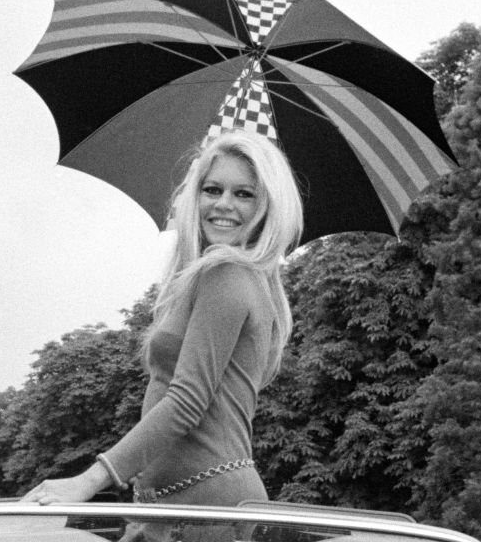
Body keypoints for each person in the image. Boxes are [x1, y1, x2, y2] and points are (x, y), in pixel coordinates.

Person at [22, 129, 303, 507]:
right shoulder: (226, 279)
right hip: (173, 501)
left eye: (244, 194)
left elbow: (188, 400)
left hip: (206, 507)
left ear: (267, 207)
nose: (223, 204)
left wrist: (90, 481)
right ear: (194, 196)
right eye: (212, 189)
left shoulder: (227, 275)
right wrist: (144, 460)